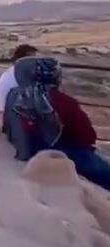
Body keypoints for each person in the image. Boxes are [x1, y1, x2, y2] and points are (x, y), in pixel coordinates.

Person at [6, 55, 110, 190]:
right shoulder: (62, 101)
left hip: (27, 152)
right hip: (63, 155)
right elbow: (87, 135)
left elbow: (8, 128)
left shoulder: (13, 96)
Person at [0, 43, 38, 128]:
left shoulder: (12, 73)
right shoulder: (12, 77)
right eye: (34, 59)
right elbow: (0, 111)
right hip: (17, 121)